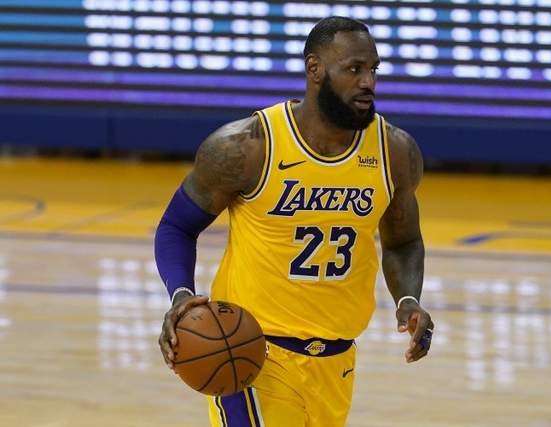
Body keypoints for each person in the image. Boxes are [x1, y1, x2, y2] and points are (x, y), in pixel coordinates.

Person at [155, 16, 434, 427]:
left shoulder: (394, 152)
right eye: (354, 69)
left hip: (337, 360)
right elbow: (176, 227)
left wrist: (407, 299)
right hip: (250, 353)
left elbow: (403, 241)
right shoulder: (247, 147)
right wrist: (181, 295)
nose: (368, 82)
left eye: (373, 69)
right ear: (314, 69)